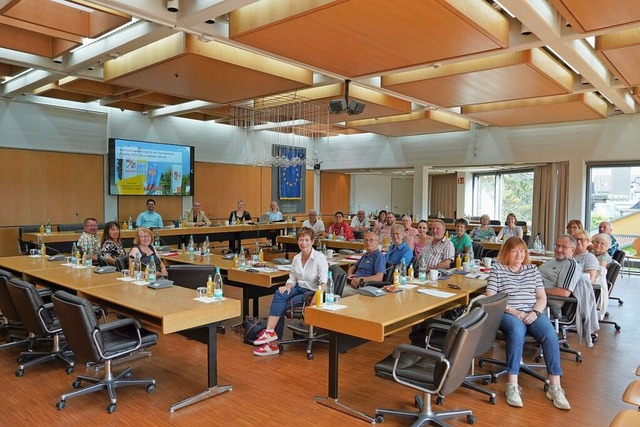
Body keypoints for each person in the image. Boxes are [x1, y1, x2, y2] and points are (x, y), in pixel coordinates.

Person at [485, 236, 570, 410]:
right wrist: (515, 311)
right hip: (509, 313)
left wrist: (535, 312)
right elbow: (491, 297)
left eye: (522, 251)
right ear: (506, 252)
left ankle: (555, 387)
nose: (519, 254)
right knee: (516, 332)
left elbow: (541, 297)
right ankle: (512, 385)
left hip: (533, 312)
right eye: (514, 250)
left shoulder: (532, 269)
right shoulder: (498, 269)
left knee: (550, 335)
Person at [252, 227, 327, 356]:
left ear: (313, 241)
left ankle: (273, 343)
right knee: (279, 293)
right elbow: (292, 277)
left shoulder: (319, 258)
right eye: (301, 240)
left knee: (280, 306)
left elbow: (324, 282)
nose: (303, 243)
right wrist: (288, 286)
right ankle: (270, 333)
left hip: (311, 292)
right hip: (297, 288)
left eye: (306, 240)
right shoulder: (297, 258)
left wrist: (317, 295)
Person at [539, 235, 581, 319]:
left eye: (564, 247)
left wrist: (537, 290)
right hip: (535, 295)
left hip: (546, 301)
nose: (559, 250)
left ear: (573, 250)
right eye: (557, 246)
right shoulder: (552, 261)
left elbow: (564, 292)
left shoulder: (570, 264)